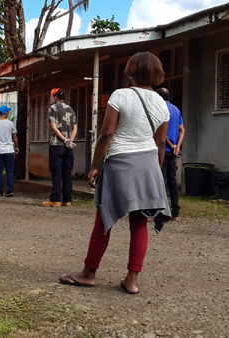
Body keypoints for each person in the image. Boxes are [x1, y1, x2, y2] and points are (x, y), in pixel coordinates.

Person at [58, 52, 171, 295]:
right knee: (139, 223)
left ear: (131, 71)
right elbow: (160, 144)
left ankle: (88, 274)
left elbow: (107, 134)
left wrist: (95, 165)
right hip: (149, 164)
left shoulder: (121, 95)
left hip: (120, 161)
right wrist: (156, 173)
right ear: (156, 73)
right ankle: (132, 280)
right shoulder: (163, 104)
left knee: (104, 222)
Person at [43, 88, 77, 207]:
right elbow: (75, 128)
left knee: (56, 172)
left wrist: (63, 139)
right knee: (67, 172)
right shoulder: (70, 109)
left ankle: (55, 199)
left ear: (56, 97)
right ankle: (67, 199)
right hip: (69, 147)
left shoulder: (53, 108)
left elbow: (53, 127)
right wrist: (70, 140)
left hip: (57, 145)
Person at [156, 88, 185, 220]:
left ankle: (161, 211)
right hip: (174, 152)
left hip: (163, 151)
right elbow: (182, 130)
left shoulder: (160, 109)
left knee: (161, 180)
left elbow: (162, 132)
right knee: (172, 181)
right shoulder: (176, 109)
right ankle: (175, 213)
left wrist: (171, 145)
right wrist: (178, 146)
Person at [0, 105, 19, 198]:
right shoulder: (10, 123)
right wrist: (16, 147)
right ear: (6, 113)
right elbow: (15, 137)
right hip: (9, 150)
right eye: (8, 112)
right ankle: (10, 190)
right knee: (9, 171)